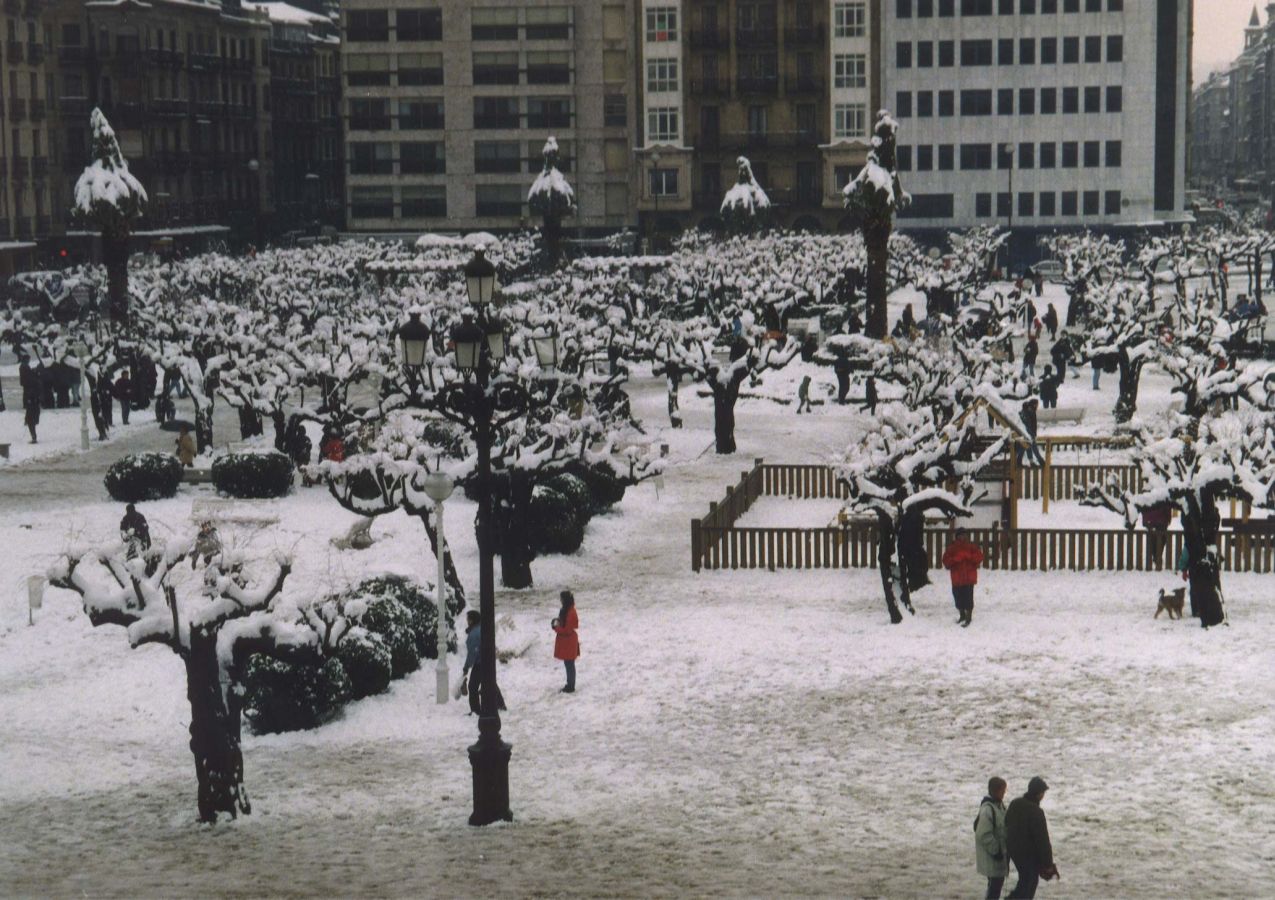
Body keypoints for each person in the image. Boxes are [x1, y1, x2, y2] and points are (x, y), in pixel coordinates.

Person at [1006, 777, 1059, 899]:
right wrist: (1048, 864)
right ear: (1039, 793)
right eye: (1043, 792)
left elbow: (1006, 823)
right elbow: (1042, 840)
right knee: (1029, 883)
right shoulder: (1036, 812)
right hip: (1029, 855)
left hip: (1013, 851)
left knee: (1025, 881)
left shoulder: (1015, 803)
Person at [975, 777, 1010, 900]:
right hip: (993, 859)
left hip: (998, 859)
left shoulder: (999, 806)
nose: (1004, 793)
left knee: (995, 888)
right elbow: (983, 834)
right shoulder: (988, 810)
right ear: (995, 791)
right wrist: (997, 851)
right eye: (1003, 791)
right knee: (994, 890)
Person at [942, 527, 985, 627]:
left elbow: (980, 557)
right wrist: (956, 559)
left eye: (964, 535)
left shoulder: (971, 547)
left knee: (968, 598)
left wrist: (969, 557)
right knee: (958, 598)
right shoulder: (952, 548)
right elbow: (946, 561)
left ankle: (968, 617)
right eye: (960, 535)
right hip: (957, 579)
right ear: (957, 537)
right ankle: (962, 615)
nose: (963, 537)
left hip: (969, 578)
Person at [552, 589, 580, 693]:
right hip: (567, 642)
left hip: (568, 642)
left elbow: (567, 630)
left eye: (561, 599)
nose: (560, 600)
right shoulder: (568, 610)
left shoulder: (570, 612)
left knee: (569, 664)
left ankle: (570, 686)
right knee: (568, 664)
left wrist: (556, 628)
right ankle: (570, 684)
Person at [1143, 502, 1172, 568]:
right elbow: (1167, 508)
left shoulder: (1148, 495)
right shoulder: (1162, 495)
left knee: (1153, 539)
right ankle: (1157, 556)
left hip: (1150, 521)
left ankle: (1155, 556)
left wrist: (1145, 520)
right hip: (1161, 521)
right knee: (1162, 538)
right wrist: (1168, 519)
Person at [1017, 399, 1045, 467]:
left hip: (1024, 432)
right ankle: (1041, 462)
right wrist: (1032, 434)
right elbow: (1029, 424)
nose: (1038, 406)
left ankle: (1027, 462)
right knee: (1033, 447)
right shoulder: (1030, 412)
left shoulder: (1027, 411)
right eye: (1037, 404)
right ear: (1034, 404)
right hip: (1028, 433)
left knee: (1025, 447)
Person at [19, 360, 40, 443]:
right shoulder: (37, 381)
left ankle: (34, 437)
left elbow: (30, 393)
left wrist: (28, 399)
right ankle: (34, 436)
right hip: (35, 404)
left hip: (32, 404)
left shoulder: (32, 383)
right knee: (32, 421)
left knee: (30, 421)